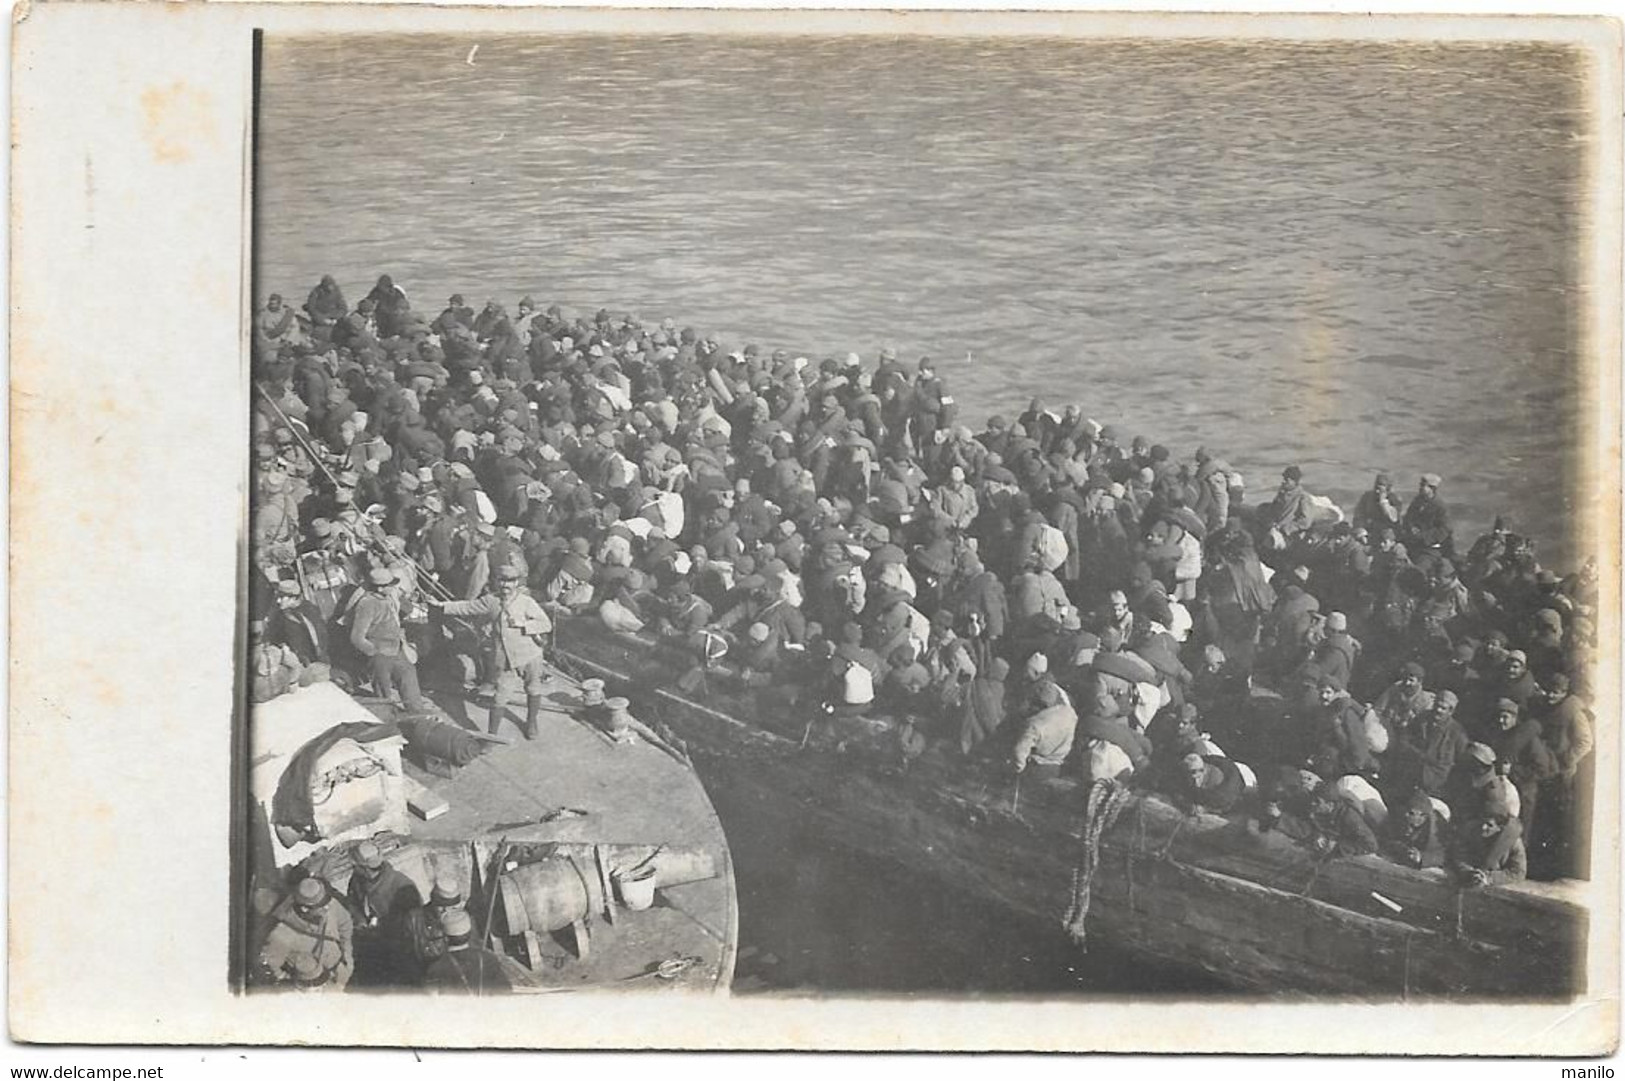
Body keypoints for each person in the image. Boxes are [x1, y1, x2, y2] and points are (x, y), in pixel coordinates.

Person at [428, 562, 553, 739]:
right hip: (505, 659)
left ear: (517, 583)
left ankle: (531, 723)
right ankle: (491, 737)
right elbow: (467, 606)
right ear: (496, 581)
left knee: (533, 689)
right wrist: (441, 605)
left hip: (530, 655)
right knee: (499, 698)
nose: (505, 585)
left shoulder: (526, 602)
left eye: (510, 581)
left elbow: (545, 624)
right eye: (502, 581)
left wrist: (523, 624)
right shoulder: (490, 601)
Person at [349, 566, 428, 711]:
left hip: (398, 650)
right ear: (379, 588)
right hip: (380, 656)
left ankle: (418, 717)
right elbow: (357, 637)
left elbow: (407, 609)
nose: (393, 587)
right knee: (383, 697)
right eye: (390, 585)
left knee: (410, 683)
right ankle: (389, 721)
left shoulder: (388, 598)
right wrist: (374, 652)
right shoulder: (367, 604)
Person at [257, 876, 353, 990]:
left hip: (340, 970)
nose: (327, 907)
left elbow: (345, 925)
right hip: (313, 986)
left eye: (325, 901)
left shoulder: (328, 903)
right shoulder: (281, 934)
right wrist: (290, 980)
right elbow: (271, 964)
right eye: (320, 906)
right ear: (304, 908)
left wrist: (347, 960)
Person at [424, 910, 513, 995]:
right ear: (469, 933)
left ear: (445, 938)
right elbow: (506, 991)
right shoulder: (488, 958)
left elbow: (432, 1003)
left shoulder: (436, 968)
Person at [1379, 789, 1448, 870]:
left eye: (1421, 815)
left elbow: (1445, 854)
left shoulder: (1437, 827)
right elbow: (1384, 838)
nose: (1416, 818)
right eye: (1411, 813)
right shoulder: (1397, 817)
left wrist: (1421, 857)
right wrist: (1402, 849)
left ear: (1426, 816)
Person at [1402, 473, 1453, 557]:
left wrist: (1423, 536)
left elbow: (1444, 529)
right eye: (1420, 485)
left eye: (1423, 486)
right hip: (1413, 542)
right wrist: (1411, 527)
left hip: (1431, 547)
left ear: (1432, 488)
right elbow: (1408, 517)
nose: (1420, 488)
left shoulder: (1439, 506)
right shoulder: (1417, 501)